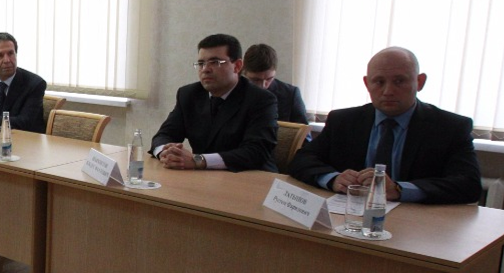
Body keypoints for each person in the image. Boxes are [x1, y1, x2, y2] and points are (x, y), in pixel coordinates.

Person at [289, 47, 480, 204]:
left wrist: (399, 189)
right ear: (367, 83)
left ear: (419, 82)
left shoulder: (450, 127)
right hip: (348, 217)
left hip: (417, 224)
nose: (388, 91)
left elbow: (468, 185)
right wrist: (333, 178)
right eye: (379, 82)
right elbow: (302, 160)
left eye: (399, 81)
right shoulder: (343, 120)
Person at [151, 34, 279, 172]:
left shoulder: (261, 99)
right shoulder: (189, 94)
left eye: (215, 62)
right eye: (201, 63)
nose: (205, 69)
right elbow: (164, 135)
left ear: (237, 66)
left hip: (250, 177)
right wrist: (165, 152)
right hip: (202, 177)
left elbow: (256, 152)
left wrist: (198, 160)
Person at [242, 43, 308, 124]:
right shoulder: (233, 92)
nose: (263, 85)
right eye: (256, 80)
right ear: (244, 71)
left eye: (269, 79)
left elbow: (303, 130)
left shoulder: (290, 95)